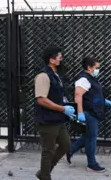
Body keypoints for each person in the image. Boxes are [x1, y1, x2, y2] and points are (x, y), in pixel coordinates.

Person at [66, 57, 111, 173]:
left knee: (88, 136)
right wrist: (80, 113)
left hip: (93, 112)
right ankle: (91, 164)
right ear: (89, 68)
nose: (98, 70)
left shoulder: (92, 78)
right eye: (96, 67)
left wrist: (105, 102)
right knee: (91, 138)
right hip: (88, 113)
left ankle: (70, 150)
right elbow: (78, 95)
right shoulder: (84, 79)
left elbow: (93, 95)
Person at [34, 46, 76, 180]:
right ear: (51, 60)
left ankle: (43, 172)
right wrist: (62, 109)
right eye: (59, 57)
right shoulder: (43, 76)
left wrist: (66, 106)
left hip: (58, 118)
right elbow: (41, 99)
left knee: (66, 145)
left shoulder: (56, 74)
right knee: (48, 151)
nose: (61, 59)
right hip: (47, 120)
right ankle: (45, 176)